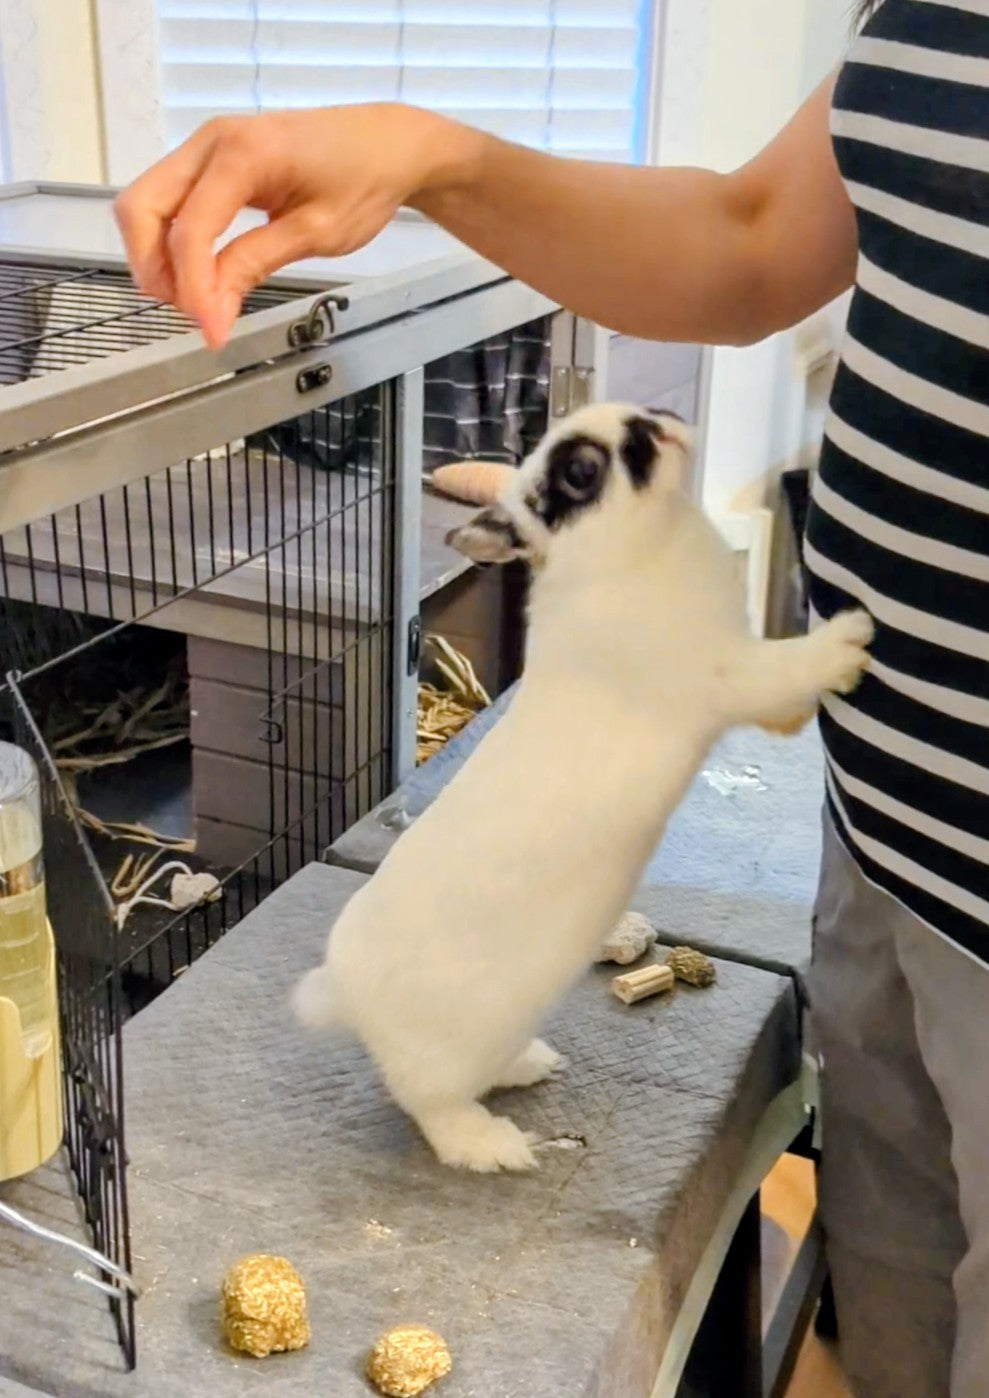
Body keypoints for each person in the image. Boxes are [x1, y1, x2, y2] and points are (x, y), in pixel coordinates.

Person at [114, 2, 988, 1393]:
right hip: (888, 823)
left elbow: (706, 684)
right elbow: (758, 232)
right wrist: (430, 155)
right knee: (891, 1261)